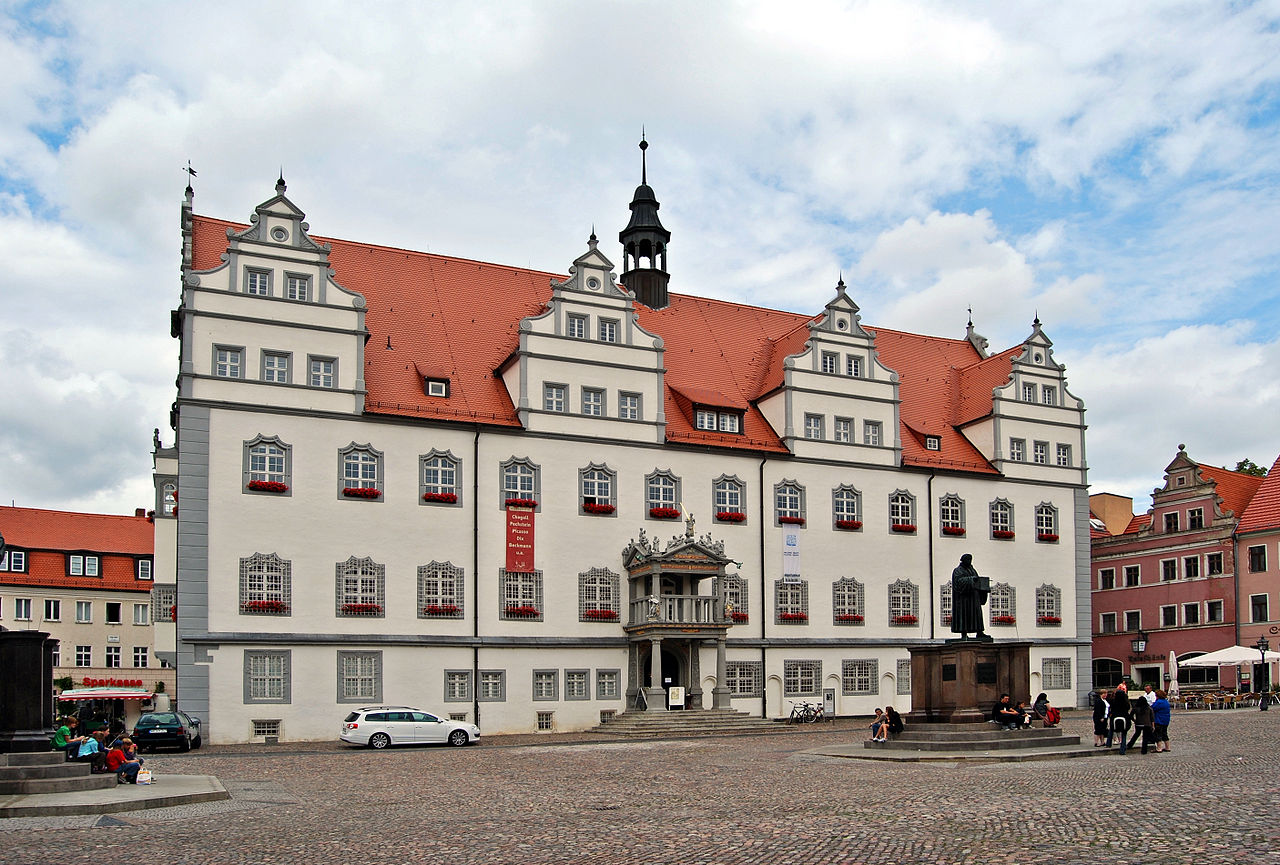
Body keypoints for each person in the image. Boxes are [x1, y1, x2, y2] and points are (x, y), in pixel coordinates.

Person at [950, 553, 990, 639]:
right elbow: (958, 582)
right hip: (963, 599)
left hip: (974, 598)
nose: (969, 561)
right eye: (968, 560)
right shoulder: (958, 570)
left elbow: (977, 580)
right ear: (963, 560)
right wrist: (971, 579)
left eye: (970, 560)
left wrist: (984, 586)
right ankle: (964, 634)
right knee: (964, 615)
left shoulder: (972, 570)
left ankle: (979, 632)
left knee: (977, 614)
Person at [1109, 683, 1132, 753]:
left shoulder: (1113, 701)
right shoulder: (1126, 702)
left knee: (1112, 730)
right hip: (1124, 718)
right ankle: (1123, 749)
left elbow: (1111, 709)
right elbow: (1128, 708)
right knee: (1124, 733)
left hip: (1115, 717)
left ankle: (1108, 743)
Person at [1151, 688, 1172, 752]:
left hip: (1159, 720)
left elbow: (1152, 708)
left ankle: (1159, 748)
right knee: (1164, 733)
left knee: (1158, 734)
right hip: (1166, 720)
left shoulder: (1159, 702)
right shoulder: (1166, 701)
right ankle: (1167, 747)